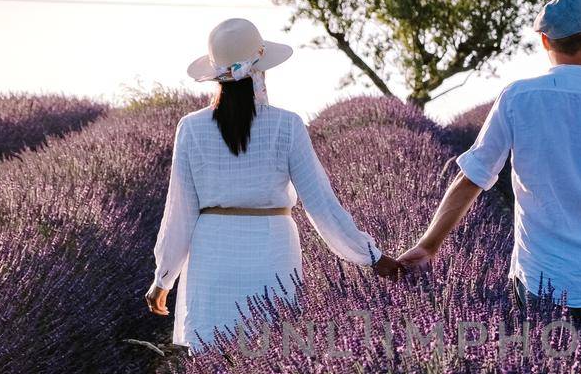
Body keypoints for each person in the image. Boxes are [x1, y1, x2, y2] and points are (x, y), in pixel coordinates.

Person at [399, 0, 581, 331]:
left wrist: (429, 246)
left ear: (544, 41)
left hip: (541, 279)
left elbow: (473, 178)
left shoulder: (518, 98)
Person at [146, 17, 398, 350]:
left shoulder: (191, 128)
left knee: (215, 368)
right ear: (261, 69)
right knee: (272, 356)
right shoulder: (287, 125)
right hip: (272, 253)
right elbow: (321, 204)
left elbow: (179, 211)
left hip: (212, 257)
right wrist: (373, 257)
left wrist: (163, 278)